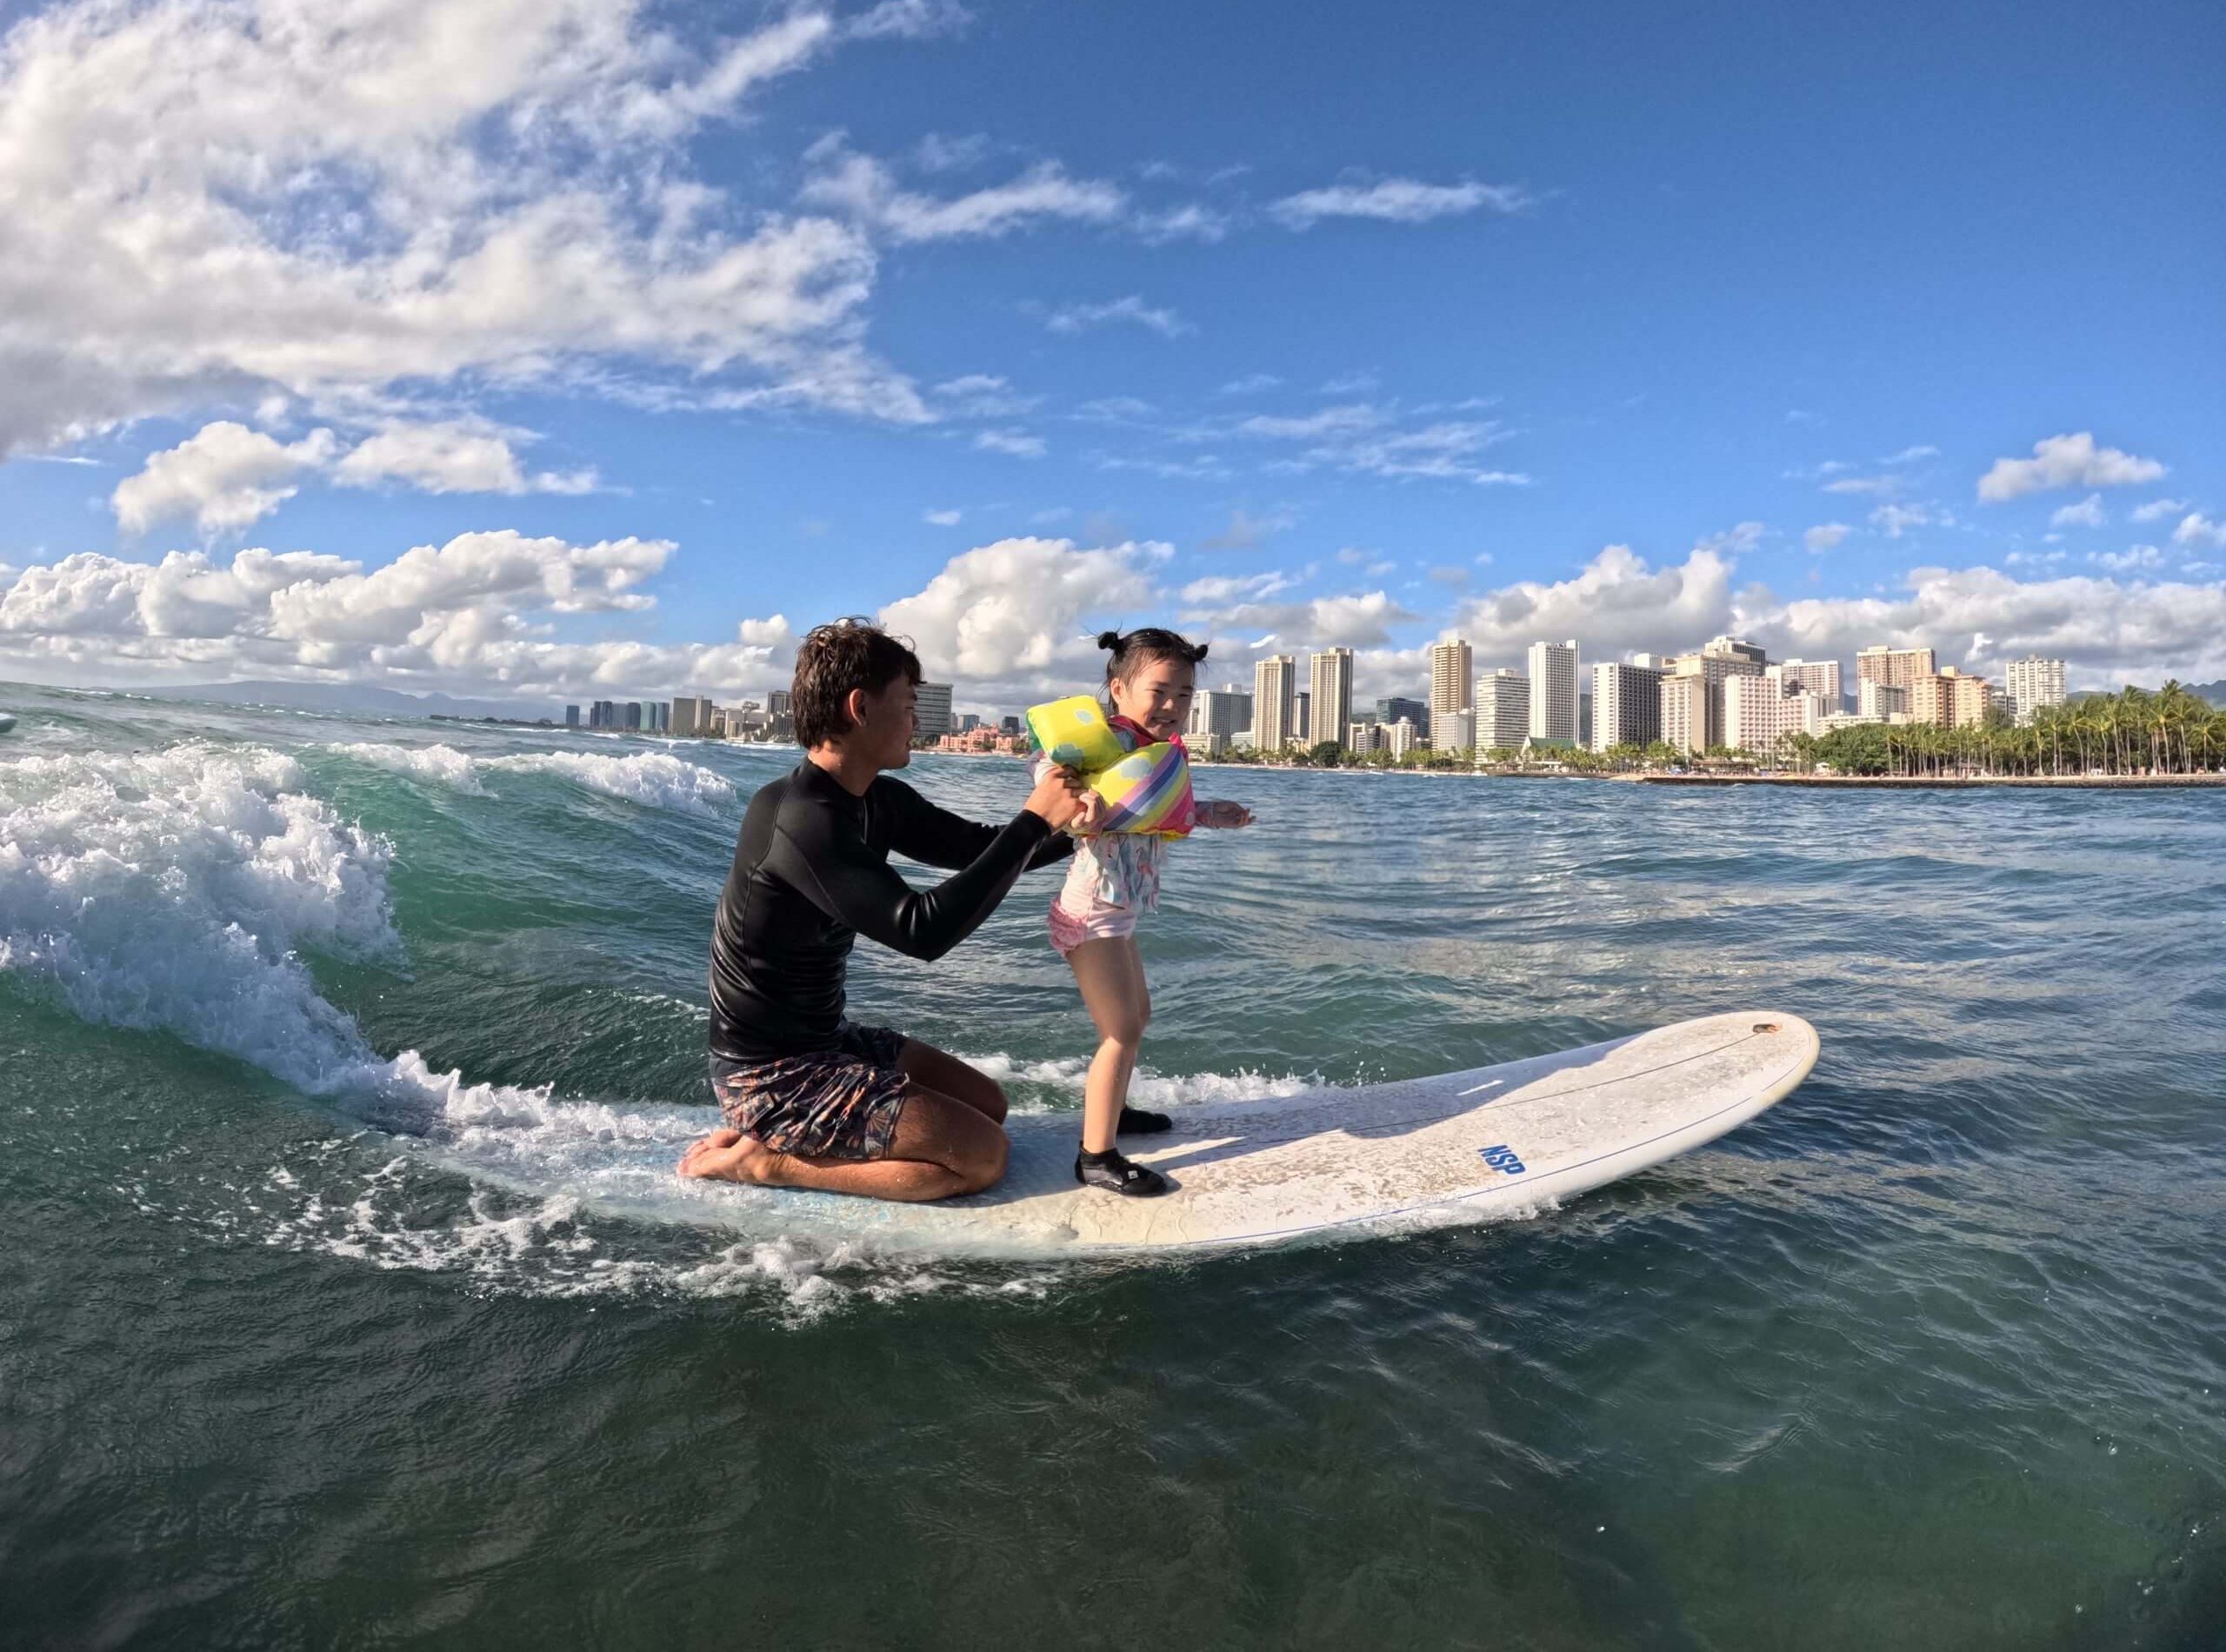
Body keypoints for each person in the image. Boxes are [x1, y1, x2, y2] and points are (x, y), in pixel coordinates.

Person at [677, 619, 1090, 1202]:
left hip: (828, 1040)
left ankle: (778, 1137)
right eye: (908, 703)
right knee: (980, 1158)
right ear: (860, 708)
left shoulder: (876, 798)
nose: (916, 720)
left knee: (990, 1106)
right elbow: (921, 930)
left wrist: (1076, 830)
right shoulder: (801, 816)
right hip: (770, 1074)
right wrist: (1034, 819)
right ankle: (768, 1162)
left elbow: (979, 848)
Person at [1041, 628, 1255, 1196]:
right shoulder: (1107, 741)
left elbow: (1160, 812)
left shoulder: (1153, 756)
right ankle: (1096, 1155)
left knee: (1140, 1014)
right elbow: (1048, 767)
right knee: (1122, 1029)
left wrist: (1213, 813)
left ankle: (1117, 1113)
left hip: (1119, 909)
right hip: (1092, 910)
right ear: (1118, 688)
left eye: (1184, 694)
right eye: (1158, 691)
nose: (1171, 705)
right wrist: (1078, 803)